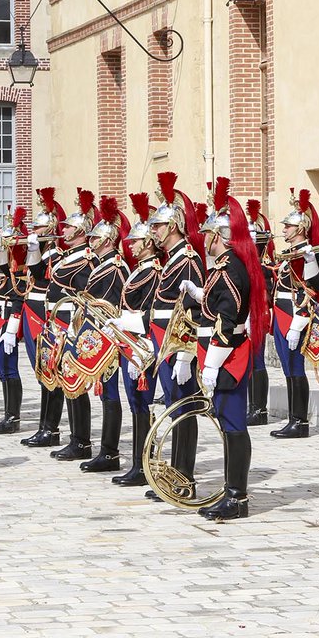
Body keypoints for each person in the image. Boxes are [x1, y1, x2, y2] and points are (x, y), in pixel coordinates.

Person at [186, 178, 268, 521]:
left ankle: (237, 497)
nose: (203, 238)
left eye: (208, 234)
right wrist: (199, 295)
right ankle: (232, 492)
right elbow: (220, 304)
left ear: (219, 237)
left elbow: (227, 320)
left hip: (228, 356)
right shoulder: (225, 266)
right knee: (228, 424)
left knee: (234, 426)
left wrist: (211, 365)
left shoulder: (230, 266)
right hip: (223, 353)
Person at [124, 172, 204, 501]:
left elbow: (191, 311)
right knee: (173, 409)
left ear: (172, 227)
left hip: (177, 346)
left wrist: (185, 355)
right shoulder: (173, 260)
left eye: (157, 226)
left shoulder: (187, 260)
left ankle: (183, 479)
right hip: (162, 342)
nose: (152, 231)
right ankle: (174, 475)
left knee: (182, 410)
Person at [107, 192, 161, 486]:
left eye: (136, 242)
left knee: (143, 405)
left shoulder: (153, 272)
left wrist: (139, 346)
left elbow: (150, 313)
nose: (132, 245)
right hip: (130, 343)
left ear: (148, 243)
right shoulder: (141, 269)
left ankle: (145, 464)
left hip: (142, 345)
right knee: (136, 405)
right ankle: (140, 463)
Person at [269, 189, 319, 439]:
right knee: (287, 370)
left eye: (288, 226)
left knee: (295, 369)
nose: (283, 230)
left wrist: (299, 322)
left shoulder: (309, 254)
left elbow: (312, 289)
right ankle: (294, 418)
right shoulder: (287, 255)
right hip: (281, 313)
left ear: (301, 228)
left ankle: (300, 421)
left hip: (293, 315)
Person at [78, 196, 131, 472]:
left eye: (95, 237)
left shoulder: (114, 266)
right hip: (98, 334)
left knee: (110, 394)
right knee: (105, 395)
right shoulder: (103, 263)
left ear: (108, 240)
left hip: (108, 336)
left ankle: (109, 452)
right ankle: (106, 450)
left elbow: (108, 302)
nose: (90, 241)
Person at [46, 189, 96, 460]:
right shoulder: (69, 256)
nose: (62, 231)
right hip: (60, 324)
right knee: (67, 382)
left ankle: (82, 440)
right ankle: (76, 438)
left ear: (79, 231)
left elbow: (84, 296)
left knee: (75, 382)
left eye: (67, 228)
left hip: (71, 324)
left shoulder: (85, 259)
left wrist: (75, 327)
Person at [21, 188, 68, 447]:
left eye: (39, 228)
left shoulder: (55, 255)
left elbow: (39, 272)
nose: (35, 232)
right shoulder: (43, 250)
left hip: (45, 314)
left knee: (50, 373)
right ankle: (44, 426)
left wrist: (34, 248)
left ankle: (50, 428)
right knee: (42, 373)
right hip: (34, 311)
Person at [0, 207, 28, 435]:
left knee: (9, 371)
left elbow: (20, 296)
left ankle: (13, 417)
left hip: (4, 320)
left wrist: (13, 326)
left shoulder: (17, 267)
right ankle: (6, 415)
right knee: (0, 370)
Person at [244, 199, 275, 426]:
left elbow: (264, 295)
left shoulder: (262, 267)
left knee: (257, 361)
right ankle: (252, 405)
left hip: (256, 315)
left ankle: (259, 409)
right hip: (247, 314)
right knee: (249, 362)